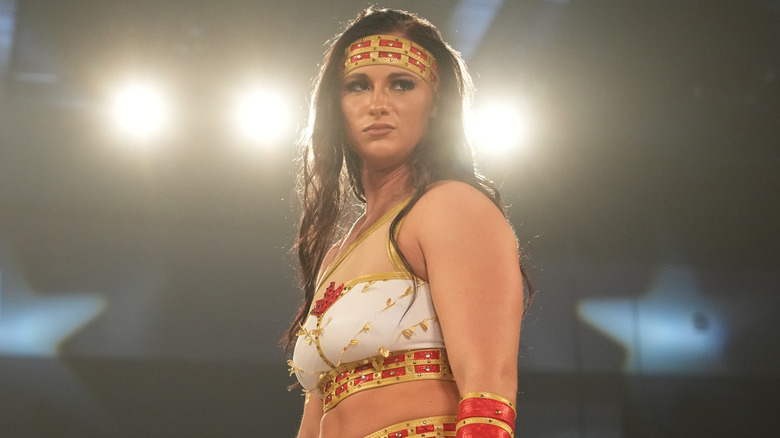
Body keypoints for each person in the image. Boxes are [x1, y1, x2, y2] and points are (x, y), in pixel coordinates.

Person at [284, 7, 531, 438]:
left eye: (401, 84)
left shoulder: (451, 207)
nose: (378, 104)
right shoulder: (335, 256)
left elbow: (489, 385)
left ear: (435, 103)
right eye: (358, 86)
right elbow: (317, 415)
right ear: (336, 106)